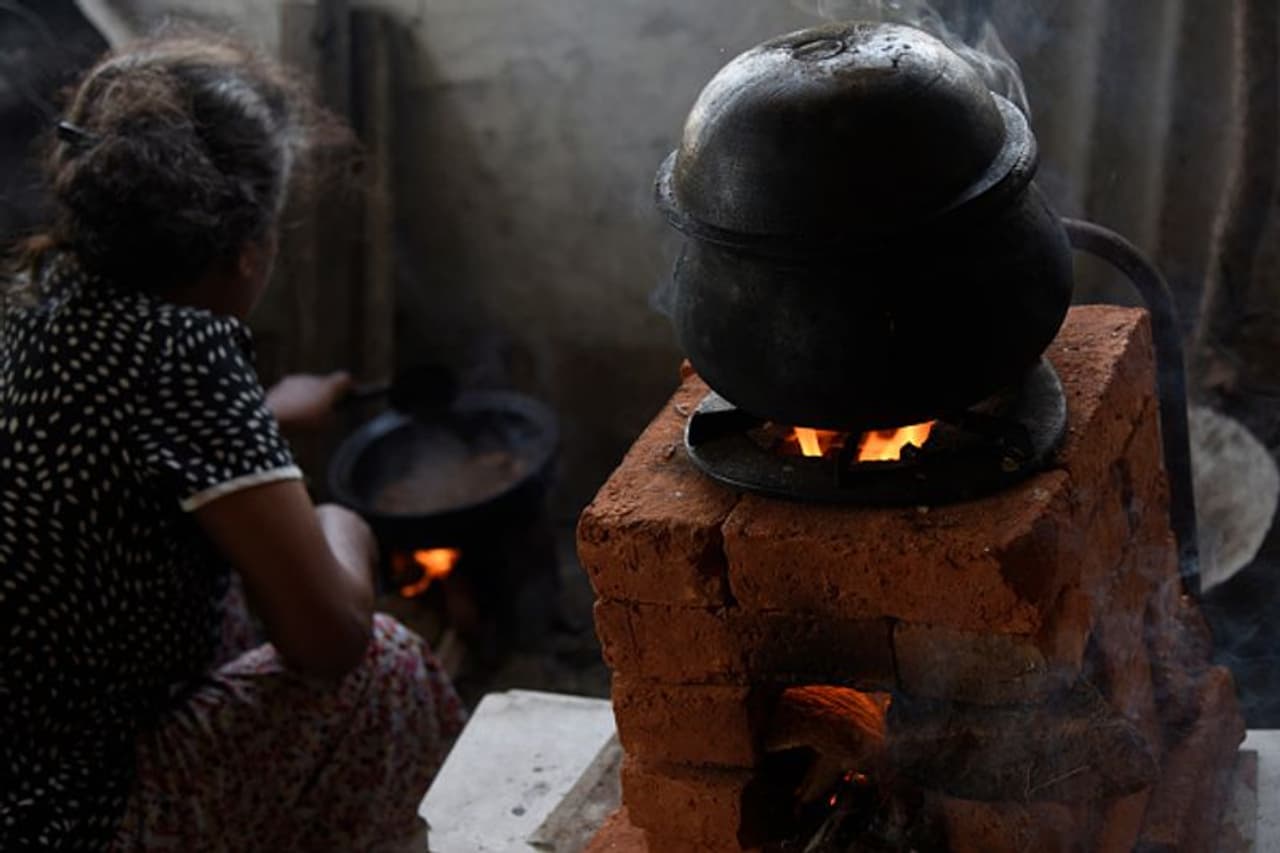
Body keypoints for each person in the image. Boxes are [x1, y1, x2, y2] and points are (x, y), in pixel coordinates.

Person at [0, 35, 466, 851]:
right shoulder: (184, 352)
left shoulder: (32, 298)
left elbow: (108, 446)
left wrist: (265, 417)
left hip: (21, 761)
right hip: (72, 817)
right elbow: (328, 641)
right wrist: (342, 525)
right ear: (249, 250)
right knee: (387, 667)